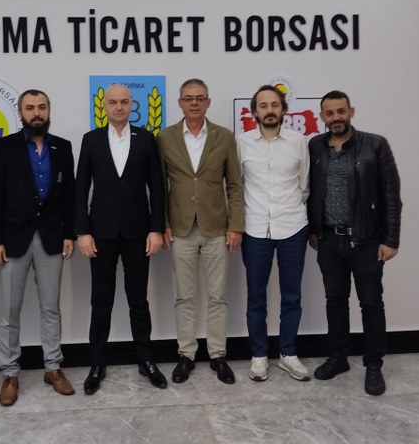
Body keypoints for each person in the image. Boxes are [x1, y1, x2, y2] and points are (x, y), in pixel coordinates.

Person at [0, 89, 76, 407]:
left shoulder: (62, 147)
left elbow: (69, 194)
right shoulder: (4, 147)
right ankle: (10, 374)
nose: (36, 113)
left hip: (51, 238)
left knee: (51, 308)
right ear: (20, 112)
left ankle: (53, 368)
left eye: (41, 107)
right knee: (9, 311)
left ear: (49, 111)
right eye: (30, 108)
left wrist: (69, 234)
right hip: (12, 240)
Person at [307, 90, 402, 396]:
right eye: (329, 113)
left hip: (366, 241)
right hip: (329, 240)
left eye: (341, 111)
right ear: (322, 117)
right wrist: (314, 231)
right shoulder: (315, 146)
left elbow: (391, 195)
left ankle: (373, 365)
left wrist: (391, 240)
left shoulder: (375, 145)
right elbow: (311, 192)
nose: (336, 117)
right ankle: (338, 358)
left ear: (351, 111)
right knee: (335, 301)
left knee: (371, 303)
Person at [75, 84, 167, 394]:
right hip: (100, 233)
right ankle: (97, 363)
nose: (119, 107)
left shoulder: (146, 138)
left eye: (124, 102)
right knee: (100, 301)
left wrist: (156, 228)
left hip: (138, 232)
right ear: (104, 106)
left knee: (138, 300)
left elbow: (157, 186)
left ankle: (146, 359)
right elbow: (80, 188)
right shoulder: (91, 140)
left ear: (131, 105)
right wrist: (82, 232)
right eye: (113, 102)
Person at [156, 78, 244, 385]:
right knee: (184, 296)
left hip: (216, 228)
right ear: (179, 103)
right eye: (188, 98)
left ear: (208, 102)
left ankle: (218, 354)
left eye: (200, 98)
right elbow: (159, 186)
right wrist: (163, 224)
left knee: (218, 296)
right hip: (180, 229)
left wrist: (236, 225)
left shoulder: (224, 136)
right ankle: (186, 355)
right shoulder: (165, 137)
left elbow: (234, 185)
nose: (194, 103)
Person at [237, 85, 311, 383]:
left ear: (284, 109)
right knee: (256, 296)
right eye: (263, 106)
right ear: (254, 112)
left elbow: (304, 185)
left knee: (292, 295)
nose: (269, 110)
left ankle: (288, 354)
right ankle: (259, 355)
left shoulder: (298, 142)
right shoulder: (242, 142)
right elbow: (237, 184)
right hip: (255, 228)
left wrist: (291, 211)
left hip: (293, 227)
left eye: (275, 105)